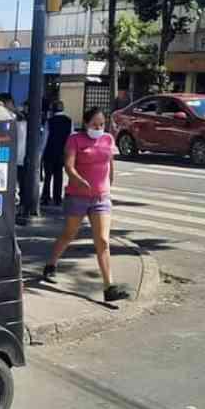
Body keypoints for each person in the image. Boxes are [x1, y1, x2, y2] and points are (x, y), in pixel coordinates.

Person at [43, 107, 129, 302]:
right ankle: (51, 264)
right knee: (69, 234)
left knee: (103, 241)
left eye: (102, 124)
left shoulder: (108, 139)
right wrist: (78, 180)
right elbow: (68, 166)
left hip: (101, 198)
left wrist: (109, 185)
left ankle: (109, 287)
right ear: (85, 123)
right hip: (77, 197)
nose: (98, 128)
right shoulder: (75, 139)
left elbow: (110, 164)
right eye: (94, 124)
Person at [41, 100, 72, 206]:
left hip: (49, 152)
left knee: (48, 176)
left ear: (53, 110)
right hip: (62, 153)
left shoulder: (49, 121)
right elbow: (71, 137)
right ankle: (57, 198)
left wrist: (41, 153)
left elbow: (44, 139)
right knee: (59, 176)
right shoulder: (69, 121)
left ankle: (45, 197)